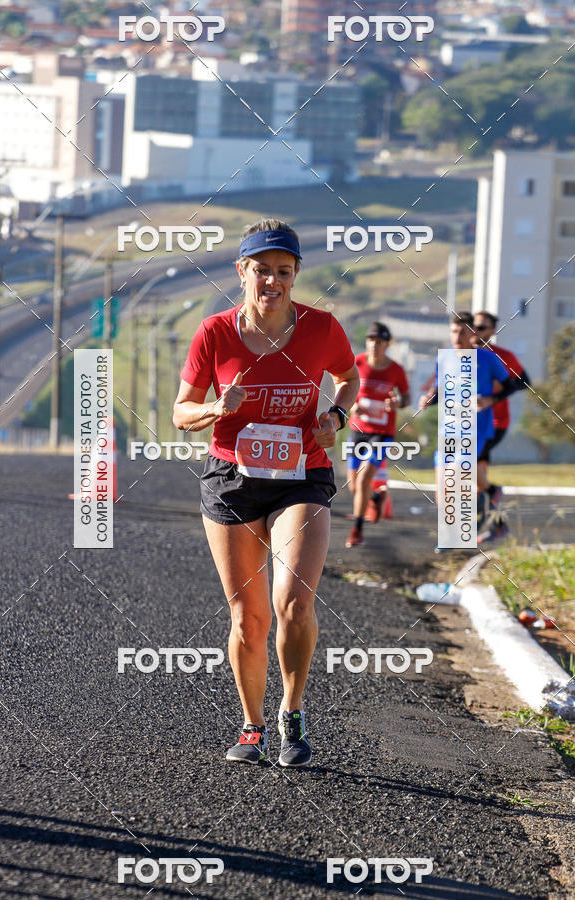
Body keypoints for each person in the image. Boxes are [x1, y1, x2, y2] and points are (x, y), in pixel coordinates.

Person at [172, 218, 359, 767]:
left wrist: (336, 414)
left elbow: (348, 377)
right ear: (242, 272)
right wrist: (214, 409)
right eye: (261, 270)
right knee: (248, 619)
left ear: (297, 274)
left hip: (302, 474)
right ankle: (252, 724)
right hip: (232, 480)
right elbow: (181, 412)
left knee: (293, 603)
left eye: (283, 271)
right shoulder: (214, 333)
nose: (271, 281)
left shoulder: (322, 328)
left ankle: (292, 714)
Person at [419, 311, 517, 544]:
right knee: (442, 491)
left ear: (473, 333)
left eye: (463, 331)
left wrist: (489, 400)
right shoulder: (444, 358)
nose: (457, 336)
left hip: (476, 429)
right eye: (454, 331)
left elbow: (510, 386)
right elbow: (441, 390)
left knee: (461, 470)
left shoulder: (488, 359)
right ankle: (489, 493)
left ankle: (459, 530)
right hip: (448, 429)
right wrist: (428, 400)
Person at [345, 322, 410, 548]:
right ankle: (376, 497)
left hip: (382, 433)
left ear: (387, 345)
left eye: (380, 341)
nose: (374, 345)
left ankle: (357, 531)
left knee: (364, 478)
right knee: (354, 486)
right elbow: (342, 385)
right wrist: (351, 406)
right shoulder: (357, 362)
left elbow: (407, 399)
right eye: (371, 340)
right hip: (358, 430)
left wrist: (397, 403)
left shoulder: (396, 370)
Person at [470, 311, 530, 509]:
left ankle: (485, 505)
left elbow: (524, 382)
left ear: (492, 331)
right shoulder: (460, 355)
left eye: (481, 327)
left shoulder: (504, 356)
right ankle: (486, 505)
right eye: (472, 326)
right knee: (473, 464)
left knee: (473, 461)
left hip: (495, 422)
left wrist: (494, 396)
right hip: (466, 421)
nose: (474, 331)